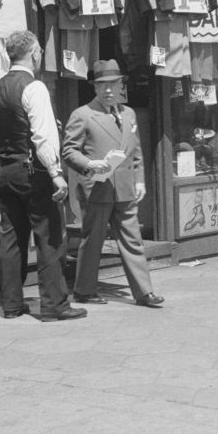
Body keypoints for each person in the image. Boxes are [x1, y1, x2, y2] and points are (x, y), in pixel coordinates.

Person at [0, 30, 87, 321]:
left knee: (11, 237)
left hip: (5, 168)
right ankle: (55, 304)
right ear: (34, 53)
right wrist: (55, 173)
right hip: (33, 170)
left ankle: (12, 304)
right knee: (50, 234)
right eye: (40, 51)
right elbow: (43, 136)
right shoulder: (35, 87)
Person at [62, 59, 165, 308]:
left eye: (113, 84)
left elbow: (136, 150)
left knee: (133, 240)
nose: (108, 90)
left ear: (121, 85)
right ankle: (84, 290)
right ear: (94, 88)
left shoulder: (128, 114)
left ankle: (144, 292)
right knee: (93, 239)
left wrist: (139, 181)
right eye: (102, 85)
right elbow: (69, 151)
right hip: (98, 187)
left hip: (126, 189)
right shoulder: (83, 115)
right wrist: (89, 164)